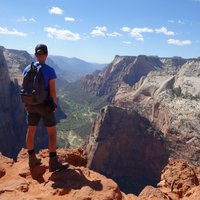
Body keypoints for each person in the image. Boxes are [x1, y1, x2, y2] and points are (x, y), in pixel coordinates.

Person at [23, 44, 68, 172]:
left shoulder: (27, 69)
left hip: (31, 104)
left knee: (30, 131)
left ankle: (32, 160)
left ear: (35, 55)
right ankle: (53, 163)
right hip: (45, 106)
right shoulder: (49, 70)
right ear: (46, 55)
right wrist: (54, 105)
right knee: (52, 133)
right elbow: (53, 92)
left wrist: (27, 104)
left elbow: (24, 88)